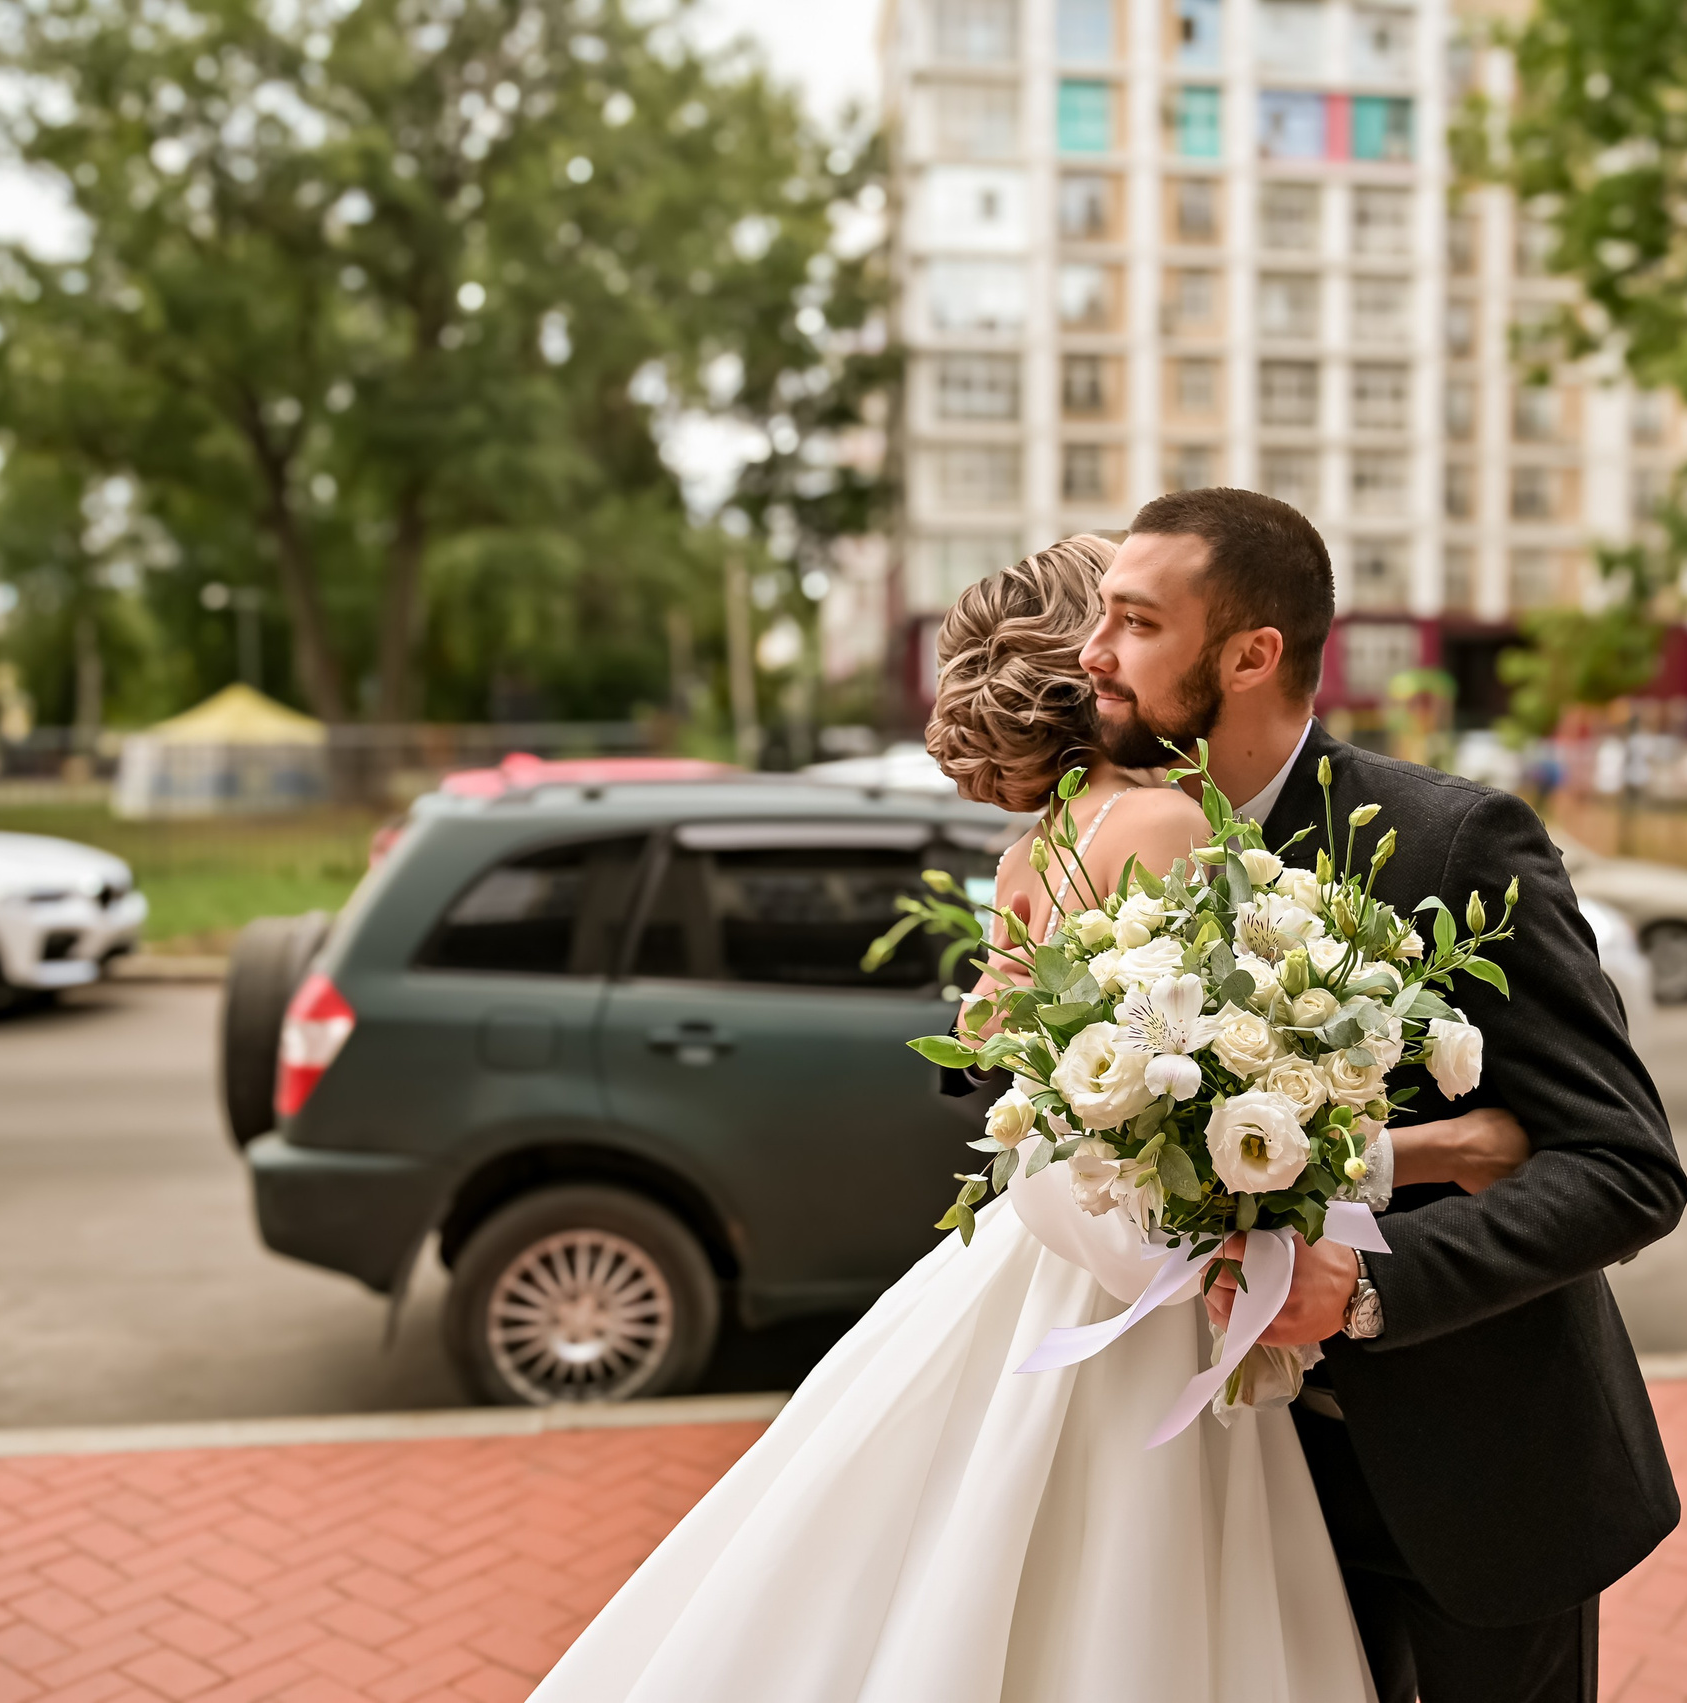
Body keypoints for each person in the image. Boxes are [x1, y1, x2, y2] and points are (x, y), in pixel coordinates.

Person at [527, 530, 1545, 1703]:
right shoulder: (1164, 825)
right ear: (1087, 658)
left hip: (1033, 1264)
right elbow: (1210, 1126)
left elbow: (1059, 1095)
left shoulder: (1033, 850)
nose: (1127, 640)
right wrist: (1435, 1146)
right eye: (1114, 619)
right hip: (1130, 1292)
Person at [1085, 488, 1686, 1701]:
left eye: (1135, 622)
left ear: (1252, 654)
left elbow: (1624, 1168)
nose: (1094, 651)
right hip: (1234, 1494)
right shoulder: (1109, 843)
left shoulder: (1454, 841)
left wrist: (1366, 1286)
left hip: (1477, 1485)